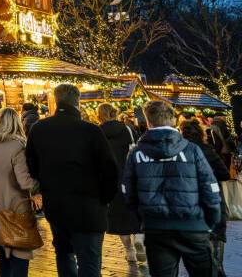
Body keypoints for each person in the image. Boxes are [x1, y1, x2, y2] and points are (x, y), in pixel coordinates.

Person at [26, 84, 119, 277]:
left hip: (56, 205)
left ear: (56, 100)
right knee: (89, 261)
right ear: (78, 102)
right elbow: (110, 169)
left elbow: (32, 166)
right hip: (88, 207)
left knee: (64, 254)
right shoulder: (90, 130)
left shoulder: (39, 129)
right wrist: (105, 198)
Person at [124, 101, 222, 277]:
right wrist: (211, 220)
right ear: (173, 120)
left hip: (156, 228)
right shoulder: (192, 150)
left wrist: (143, 218)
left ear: (149, 122)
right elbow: (210, 188)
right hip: (193, 225)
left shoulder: (136, 153)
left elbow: (128, 192)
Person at [0, 107, 38, 277]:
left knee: (3, 256)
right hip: (14, 208)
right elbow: (24, 181)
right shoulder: (17, 146)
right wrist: (40, 187)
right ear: (16, 123)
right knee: (19, 257)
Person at [179, 117, 230, 276]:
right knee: (216, 235)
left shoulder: (179, 152)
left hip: (190, 204)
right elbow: (224, 174)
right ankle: (217, 268)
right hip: (212, 200)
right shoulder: (207, 150)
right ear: (200, 133)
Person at [98, 103, 144, 268]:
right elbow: (135, 149)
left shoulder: (98, 131)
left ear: (100, 115)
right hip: (129, 175)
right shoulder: (127, 129)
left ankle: (129, 251)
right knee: (134, 209)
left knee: (118, 216)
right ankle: (139, 237)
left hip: (110, 179)